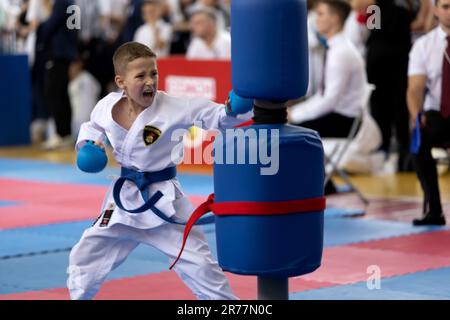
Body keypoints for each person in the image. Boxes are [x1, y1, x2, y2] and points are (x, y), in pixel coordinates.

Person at [66, 42, 251, 300]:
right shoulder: (107, 106)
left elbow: (217, 116)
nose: (149, 81)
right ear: (121, 81)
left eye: (153, 73)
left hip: (164, 204)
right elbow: (92, 126)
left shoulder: (175, 107)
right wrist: (87, 145)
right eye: (140, 76)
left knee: (202, 267)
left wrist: (232, 109)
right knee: (86, 256)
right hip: (123, 202)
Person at [350, 0, 420, 172]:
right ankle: (385, 149)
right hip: (382, 53)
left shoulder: (403, 4)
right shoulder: (377, 6)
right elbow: (362, 13)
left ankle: (403, 153)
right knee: (382, 104)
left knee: (398, 105)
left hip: (397, 54)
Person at [289, 0, 366, 138]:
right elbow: (323, 95)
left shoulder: (341, 52)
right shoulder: (335, 48)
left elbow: (329, 100)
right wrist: (294, 111)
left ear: (334, 19)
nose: (316, 19)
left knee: (287, 131)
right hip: (337, 114)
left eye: (320, 14)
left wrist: (294, 115)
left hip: (344, 120)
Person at [407, 0, 450, 226]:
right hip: (439, 116)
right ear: (434, 10)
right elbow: (414, 88)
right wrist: (416, 116)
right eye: (446, 6)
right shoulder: (424, 45)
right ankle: (434, 209)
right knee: (419, 139)